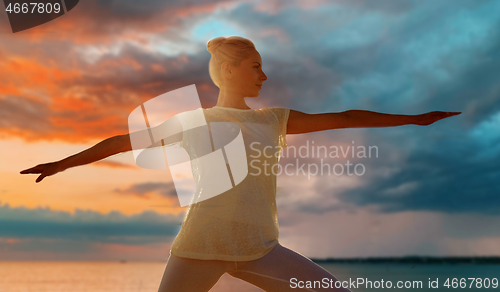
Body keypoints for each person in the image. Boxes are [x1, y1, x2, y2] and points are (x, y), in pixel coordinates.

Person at [20, 36, 461, 291]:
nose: (263, 76)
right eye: (255, 67)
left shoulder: (274, 120)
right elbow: (120, 142)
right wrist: (60, 164)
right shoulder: (191, 122)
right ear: (228, 70)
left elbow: (345, 117)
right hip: (200, 244)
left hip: (262, 247)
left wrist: (414, 119)